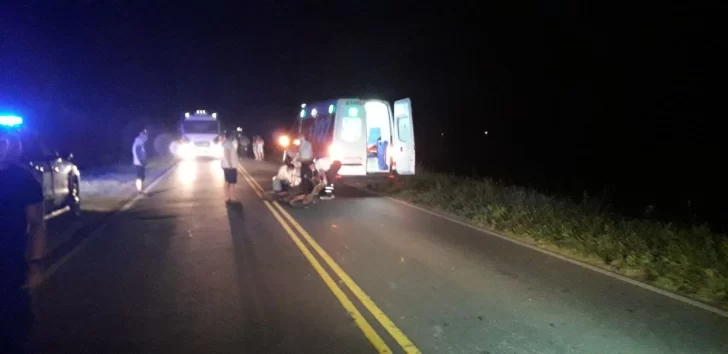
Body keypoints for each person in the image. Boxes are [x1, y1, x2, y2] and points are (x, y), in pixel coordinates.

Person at [1, 130, 47, 354]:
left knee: (13, 329)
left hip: (10, 265)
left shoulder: (24, 180)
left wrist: (36, 263)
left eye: (2, 143)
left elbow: (37, 224)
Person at [221, 131, 240, 202]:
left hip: (226, 166)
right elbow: (226, 153)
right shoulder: (228, 144)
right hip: (230, 167)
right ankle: (232, 197)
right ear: (230, 137)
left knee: (227, 181)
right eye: (232, 136)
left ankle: (227, 196)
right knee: (232, 183)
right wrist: (230, 164)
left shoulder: (226, 143)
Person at [132, 130, 148, 194]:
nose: (146, 138)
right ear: (142, 136)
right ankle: (139, 191)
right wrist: (142, 162)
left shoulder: (139, 142)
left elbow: (141, 153)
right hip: (139, 163)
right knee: (140, 177)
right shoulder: (138, 143)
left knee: (141, 177)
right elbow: (138, 153)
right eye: (145, 137)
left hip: (139, 162)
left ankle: (140, 190)